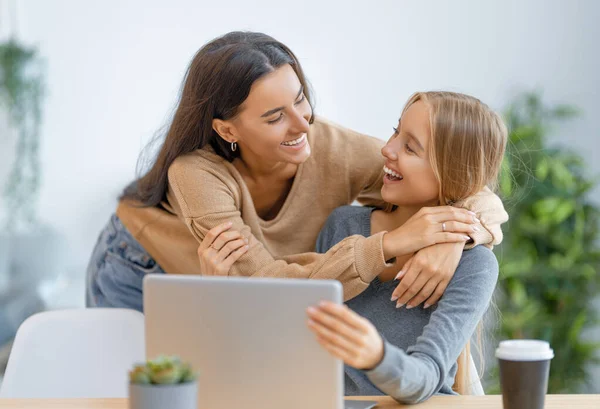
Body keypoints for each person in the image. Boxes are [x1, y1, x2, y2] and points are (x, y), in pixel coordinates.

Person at [86, 31, 508, 313]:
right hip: (143, 265)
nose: (303, 124)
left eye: (300, 99)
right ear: (227, 129)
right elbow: (269, 289)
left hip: (246, 292)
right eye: (274, 117)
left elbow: (461, 184)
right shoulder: (195, 175)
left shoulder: (331, 147)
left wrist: (456, 238)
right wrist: (395, 242)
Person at [303, 91, 506, 403]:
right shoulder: (344, 225)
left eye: (410, 147)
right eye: (396, 131)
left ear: (454, 172)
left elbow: (426, 378)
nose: (387, 149)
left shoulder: (473, 264)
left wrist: (378, 356)